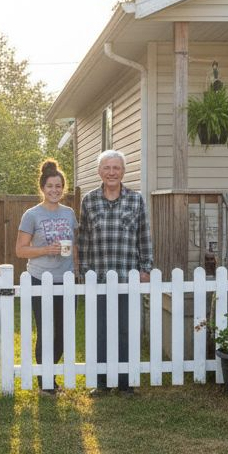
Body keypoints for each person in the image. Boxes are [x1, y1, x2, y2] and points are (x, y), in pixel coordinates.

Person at [76, 149, 152, 397]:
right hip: (98, 278)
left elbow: (144, 235)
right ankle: (101, 383)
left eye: (116, 168)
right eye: (107, 168)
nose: (111, 172)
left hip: (128, 277)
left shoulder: (136, 200)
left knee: (126, 330)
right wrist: (84, 271)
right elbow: (83, 240)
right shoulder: (89, 201)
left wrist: (146, 268)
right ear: (100, 171)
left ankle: (125, 383)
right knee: (100, 330)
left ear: (123, 172)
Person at [14, 159, 76, 394]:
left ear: (63, 188)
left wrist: (77, 269)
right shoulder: (31, 215)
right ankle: (46, 383)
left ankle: (50, 376)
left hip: (66, 279)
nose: (54, 190)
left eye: (58, 186)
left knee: (64, 332)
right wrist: (45, 249)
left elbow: (74, 246)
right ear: (42, 188)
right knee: (46, 331)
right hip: (40, 279)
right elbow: (20, 250)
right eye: (50, 186)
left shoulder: (69, 213)